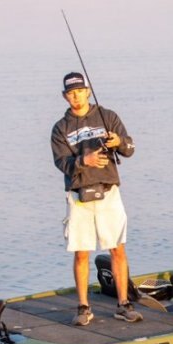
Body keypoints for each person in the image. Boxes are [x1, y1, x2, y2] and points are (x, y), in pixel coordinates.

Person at [50, 71, 140, 325]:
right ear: (65, 96)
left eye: (80, 91)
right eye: (71, 93)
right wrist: (84, 161)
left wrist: (118, 142)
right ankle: (83, 307)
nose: (76, 97)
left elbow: (129, 149)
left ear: (88, 91)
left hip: (109, 193)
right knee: (81, 253)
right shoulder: (60, 128)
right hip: (79, 197)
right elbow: (61, 163)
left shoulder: (108, 116)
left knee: (117, 249)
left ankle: (123, 304)